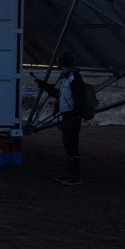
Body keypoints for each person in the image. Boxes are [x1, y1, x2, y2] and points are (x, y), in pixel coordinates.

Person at [36, 53, 85, 186]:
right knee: (69, 146)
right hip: (68, 117)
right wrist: (45, 86)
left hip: (71, 117)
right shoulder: (68, 77)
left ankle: (75, 176)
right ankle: (71, 174)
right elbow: (60, 95)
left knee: (72, 146)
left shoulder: (73, 78)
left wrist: (75, 116)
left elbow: (79, 99)